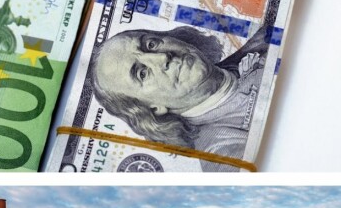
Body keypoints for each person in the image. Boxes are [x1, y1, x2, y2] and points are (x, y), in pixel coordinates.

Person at [89, 25, 271, 171]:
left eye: (151, 44)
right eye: (142, 73)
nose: (162, 57)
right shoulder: (224, 155)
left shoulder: (264, 38)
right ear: (153, 109)